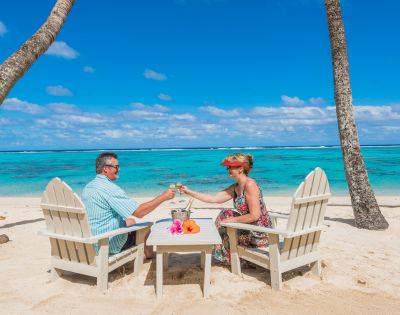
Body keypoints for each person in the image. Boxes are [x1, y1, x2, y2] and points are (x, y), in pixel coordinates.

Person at [179, 153, 272, 265]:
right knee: (225, 213)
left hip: (259, 232)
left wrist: (232, 220)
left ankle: (219, 252)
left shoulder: (250, 184)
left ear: (241, 169)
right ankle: (220, 252)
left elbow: (255, 215)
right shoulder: (236, 187)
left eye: (230, 167)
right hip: (247, 227)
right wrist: (189, 192)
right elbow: (214, 199)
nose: (228, 169)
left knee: (226, 215)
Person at [82, 152, 175, 258]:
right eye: (116, 167)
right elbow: (139, 212)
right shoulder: (110, 189)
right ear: (106, 169)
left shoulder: (88, 187)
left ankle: (142, 253)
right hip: (106, 244)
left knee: (131, 221)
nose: (119, 170)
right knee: (145, 229)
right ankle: (148, 255)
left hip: (90, 239)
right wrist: (163, 197)